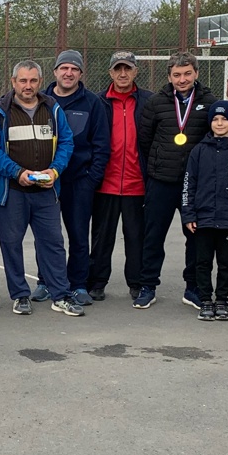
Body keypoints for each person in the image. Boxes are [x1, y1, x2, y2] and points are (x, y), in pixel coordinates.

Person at [0, 60, 80, 317]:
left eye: (33, 80)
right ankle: (20, 295)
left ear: (40, 82)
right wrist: (17, 172)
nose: (28, 85)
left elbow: (66, 142)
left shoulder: (53, 108)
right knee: (11, 244)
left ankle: (60, 295)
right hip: (12, 191)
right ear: (13, 82)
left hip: (46, 191)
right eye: (23, 80)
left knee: (53, 244)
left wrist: (54, 171)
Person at [134, 52, 214, 309]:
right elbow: (145, 140)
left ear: (196, 74)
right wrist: (158, 165)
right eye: (177, 75)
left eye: (187, 74)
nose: (182, 79)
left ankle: (193, 287)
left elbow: (213, 139)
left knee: (196, 237)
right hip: (161, 181)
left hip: (195, 185)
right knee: (153, 236)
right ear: (169, 77)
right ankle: (148, 286)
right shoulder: (156, 102)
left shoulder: (210, 102)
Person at [32, 50, 110, 307]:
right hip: (46, 182)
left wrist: (91, 179)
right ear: (55, 71)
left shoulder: (93, 103)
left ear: (80, 73)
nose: (68, 73)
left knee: (78, 235)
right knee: (47, 236)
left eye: (74, 69)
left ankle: (78, 284)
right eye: (64, 68)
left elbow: (102, 145)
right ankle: (45, 281)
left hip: (79, 182)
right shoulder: (40, 100)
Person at [181, 100, 228, 321]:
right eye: (215, 119)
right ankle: (206, 300)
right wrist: (189, 214)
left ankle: (222, 300)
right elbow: (188, 184)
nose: (220, 123)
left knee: (225, 263)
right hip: (203, 219)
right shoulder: (199, 150)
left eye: (224, 119)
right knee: (203, 262)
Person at [89, 51, 151, 304]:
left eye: (127, 69)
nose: (123, 74)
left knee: (136, 238)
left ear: (136, 71)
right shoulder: (98, 102)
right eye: (118, 69)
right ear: (110, 73)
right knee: (102, 238)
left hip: (138, 184)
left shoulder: (149, 101)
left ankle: (136, 283)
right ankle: (97, 283)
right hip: (105, 183)